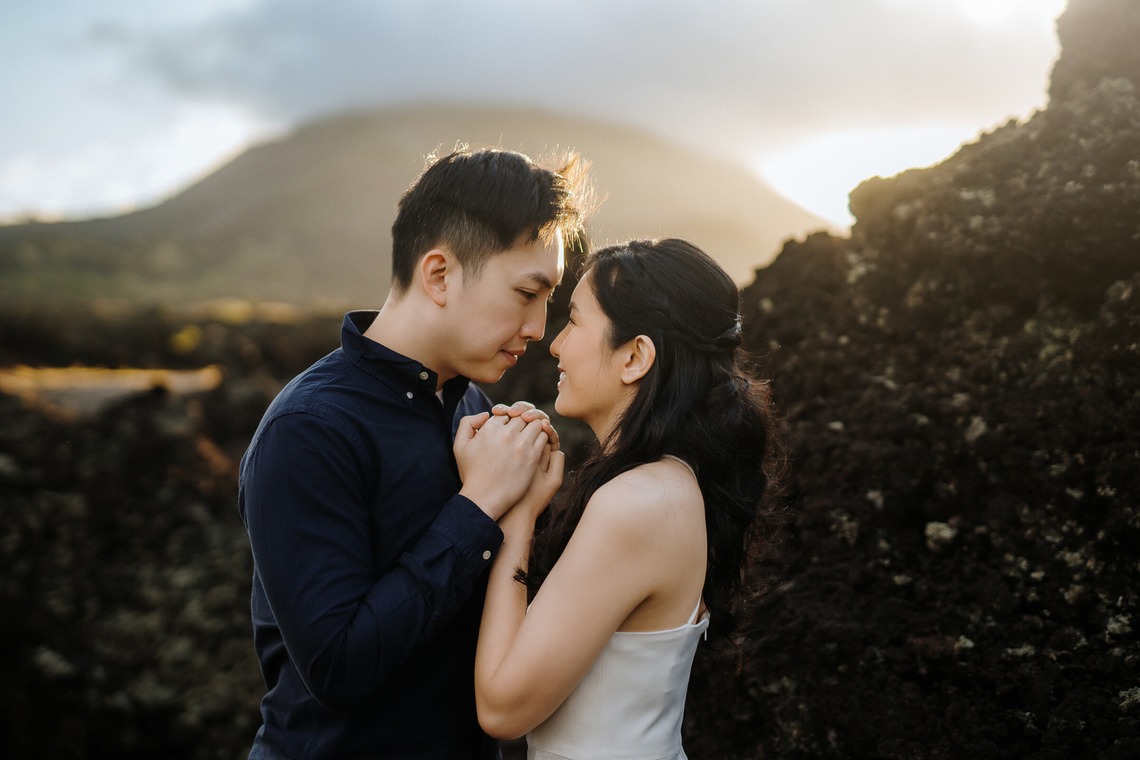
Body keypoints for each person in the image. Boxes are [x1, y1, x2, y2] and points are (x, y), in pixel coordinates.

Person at [238, 146, 590, 759]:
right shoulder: (309, 429)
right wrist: (478, 505)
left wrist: (527, 511)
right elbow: (338, 668)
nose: (538, 328)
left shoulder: (477, 410)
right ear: (439, 275)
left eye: (549, 301)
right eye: (526, 294)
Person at [469, 238, 780, 759]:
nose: (556, 344)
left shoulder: (639, 502)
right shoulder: (669, 483)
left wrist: (516, 514)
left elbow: (502, 710)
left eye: (574, 321)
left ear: (635, 356)